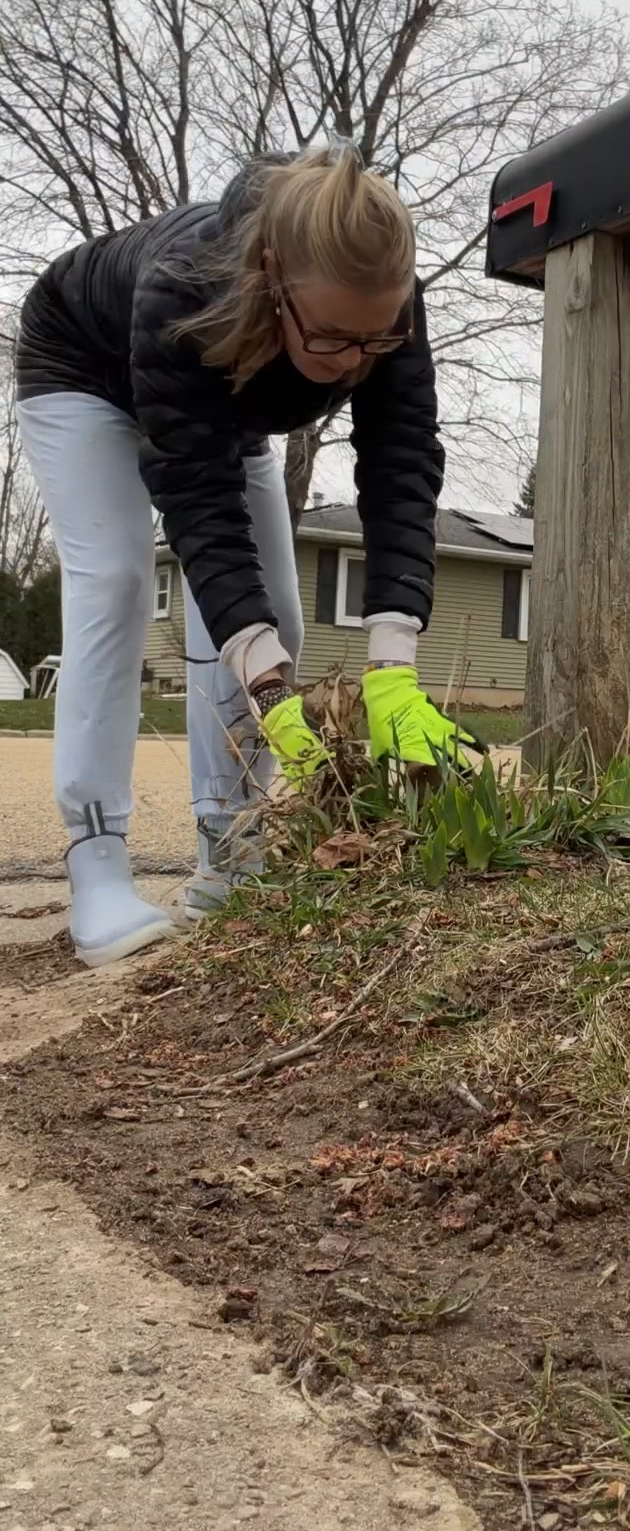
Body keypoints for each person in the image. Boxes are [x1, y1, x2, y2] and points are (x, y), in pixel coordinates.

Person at [15, 143, 480, 969]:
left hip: (230, 406)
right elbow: (201, 514)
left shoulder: (387, 309)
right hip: (87, 372)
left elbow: (401, 460)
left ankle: (229, 857)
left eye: (377, 343)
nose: (355, 366)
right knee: (119, 583)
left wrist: (395, 663)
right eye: (335, 339)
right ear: (272, 273)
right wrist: (266, 685)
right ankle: (97, 864)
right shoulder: (183, 286)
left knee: (283, 616)